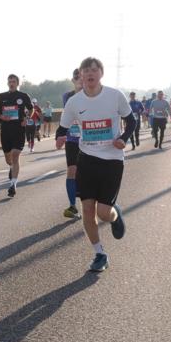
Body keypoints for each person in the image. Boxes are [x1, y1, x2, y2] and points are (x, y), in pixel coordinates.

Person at [55, 56, 136, 272]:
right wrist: (59, 138)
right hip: (87, 159)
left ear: (101, 73)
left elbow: (132, 121)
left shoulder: (115, 96)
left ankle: (114, 214)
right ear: (81, 75)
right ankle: (100, 253)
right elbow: (62, 128)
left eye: (94, 69)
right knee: (88, 209)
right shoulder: (74, 102)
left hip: (112, 161)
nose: (90, 74)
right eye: (86, 70)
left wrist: (124, 138)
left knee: (103, 213)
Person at [0, 74, 32, 198]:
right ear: (7, 83)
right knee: (8, 159)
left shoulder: (23, 96)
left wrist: (26, 119)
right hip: (6, 130)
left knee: (15, 155)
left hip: (18, 130)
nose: (11, 83)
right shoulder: (1, 96)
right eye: (10, 81)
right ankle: (11, 167)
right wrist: (1, 117)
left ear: (17, 83)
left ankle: (13, 185)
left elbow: (31, 109)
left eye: (13, 81)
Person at [61, 68, 83, 219]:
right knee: (71, 170)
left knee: (87, 173)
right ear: (73, 80)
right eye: (77, 77)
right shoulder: (67, 96)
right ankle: (72, 206)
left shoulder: (94, 95)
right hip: (72, 138)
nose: (79, 79)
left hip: (91, 139)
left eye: (82, 76)